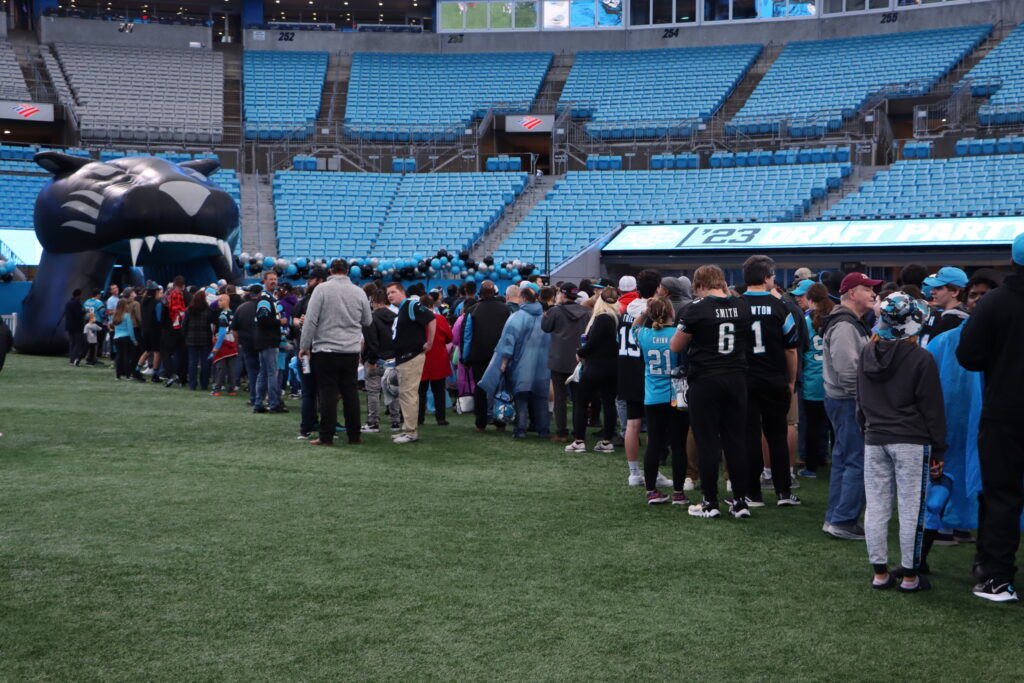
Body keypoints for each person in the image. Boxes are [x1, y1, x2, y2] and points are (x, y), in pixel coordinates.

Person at [857, 292, 945, 592]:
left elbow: (860, 403)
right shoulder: (922, 358)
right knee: (911, 507)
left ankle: (880, 573)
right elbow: (932, 409)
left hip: (875, 437)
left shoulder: (867, 354)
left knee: (877, 506)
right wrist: (939, 448)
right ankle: (909, 575)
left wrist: (867, 430)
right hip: (910, 439)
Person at [955, 234, 1024, 602]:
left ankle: (997, 577)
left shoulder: (994, 303)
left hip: (1006, 412)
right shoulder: (996, 302)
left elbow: (968, 356)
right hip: (1005, 412)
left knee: (1001, 495)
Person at [671, 265, 753, 519]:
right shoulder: (742, 306)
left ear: (699, 284)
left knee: (707, 442)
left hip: (706, 379)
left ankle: (710, 501)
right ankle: (740, 501)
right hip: (736, 377)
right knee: (736, 441)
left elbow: (676, 345)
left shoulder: (695, 309)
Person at [821, 272, 881, 540]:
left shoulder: (847, 321)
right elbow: (848, 372)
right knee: (855, 460)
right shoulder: (845, 325)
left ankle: (836, 517)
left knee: (845, 459)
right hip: (848, 400)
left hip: (842, 399)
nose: (873, 294)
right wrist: (865, 400)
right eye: (867, 289)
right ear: (852, 293)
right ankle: (843, 520)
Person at [740, 255, 801, 507]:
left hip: (745, 381)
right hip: (774, 379)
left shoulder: (736, 305)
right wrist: (791, 380)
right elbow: (791, 349)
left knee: (750, 436)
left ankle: (753, 493)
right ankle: (783, 492)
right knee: (776, 436)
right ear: (766, 278)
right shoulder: (781, 306)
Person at [299, 259, 371, 446]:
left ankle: (326, 436)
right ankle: (354, 436)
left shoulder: (321, 290)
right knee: (350, 393)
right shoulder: (359, 291)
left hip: (325, 349)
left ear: (331, 271)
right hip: (350, 350)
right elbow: (367, 321)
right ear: (347, 271)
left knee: (328, 393)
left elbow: (311, 321)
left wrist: (304, 346)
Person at [634, 296, 689, 505]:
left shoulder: (644, 334)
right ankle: (678, 493)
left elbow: (634, 326)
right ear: (671, 313)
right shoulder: (678, 335)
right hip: (677, 396)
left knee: (654, 444)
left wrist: (644, 313)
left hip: (653, 396)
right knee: (678, 445)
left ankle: (651, 491)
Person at [617, 271, 669, 487]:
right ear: (658, 288)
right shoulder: (652, 312)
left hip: (626, 368)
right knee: (654, 427)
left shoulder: (626, 311)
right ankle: (653, 473)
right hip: (646, 371)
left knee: (632, 423)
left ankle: (634, 472)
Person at [479, 287, 551, 440]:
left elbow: (507, 342)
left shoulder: (516, 317)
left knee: (521, 396)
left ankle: (521, 430)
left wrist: (504, 362)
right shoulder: (545, 317)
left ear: (523, 299)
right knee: (540, 398)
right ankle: (543, 430)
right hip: (542, 364)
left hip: (521, 364)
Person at [566, 287, 620, 453]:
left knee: (581, 401)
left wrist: (580, 352)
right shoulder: (617, 317)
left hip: (596, 365)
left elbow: (593, 342)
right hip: (613, 366)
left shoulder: (603, 318)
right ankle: (606, 441)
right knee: (609, 403)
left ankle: (579, 440)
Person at [387, 281, 436, 444]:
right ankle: (407, 429)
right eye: (388, 293)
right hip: (404, 357)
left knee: (408, 394)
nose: (389, 296)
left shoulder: (411, 305)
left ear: (402, 292)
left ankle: (411, 432)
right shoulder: (403, 308)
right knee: (406, 394)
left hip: (411, 356)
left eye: (393, 292)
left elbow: (431, 318)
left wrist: (429, 342)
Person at [541, 282, 590, 442]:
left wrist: (546, 313)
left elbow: (546, 327)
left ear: (562, 294)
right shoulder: (586, 312)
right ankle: (578, 432)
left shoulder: (556, 311)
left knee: (560, 399)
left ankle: (561, 432)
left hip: (559, 359)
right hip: (579, 359)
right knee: (578, 399)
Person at [462, 281, 510, 433]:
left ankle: (480, 423)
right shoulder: (506, 309)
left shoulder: (472, 310)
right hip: (500, 355)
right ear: (495, 293)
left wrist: (465, 357)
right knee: (499, 389)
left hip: (478, 355)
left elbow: (467, 336)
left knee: (480, 389)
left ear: (479, 294)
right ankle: (500, 422)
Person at [800, 283, 833, 478]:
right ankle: (833, 462)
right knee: (834, 427)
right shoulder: (836, 317)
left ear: (811, 300)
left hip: (813, 381)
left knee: (812, 426)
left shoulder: (806, 321)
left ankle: (811, 466)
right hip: (833, 381)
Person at [291, 266, 328, 439]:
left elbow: (296, 320)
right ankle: (321, 426)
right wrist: (301, 323)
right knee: (319, 391)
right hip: (314, 353)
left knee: (311, 392)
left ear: (320, 280)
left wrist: (302, 323)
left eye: (311, 279)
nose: (308, 282)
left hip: (309, 353)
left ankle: (309, 427)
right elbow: (295, 320)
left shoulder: (314, 298)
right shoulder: (308, 299)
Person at [362, 289, 400, 434]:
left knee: (373, 392)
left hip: (376, 360)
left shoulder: (370, 318)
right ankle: (395, 421)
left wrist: (371, 360)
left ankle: (373, 423)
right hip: (393, 360)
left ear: (373, 301)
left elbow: (372, 343)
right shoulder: (396, 316)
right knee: (393, 391)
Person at [254, 271, 288, 414]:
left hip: (266, 339)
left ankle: (258, 403)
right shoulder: (264, 299)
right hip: (268, 340)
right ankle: (273, 403)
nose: (274, 281)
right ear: (265, 282)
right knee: (271, 373)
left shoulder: (269, 298)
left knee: (264, 373)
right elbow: (263, 319)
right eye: (271, 279)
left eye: (275, 279)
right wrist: (279, 322)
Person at [418, 294, 454, 427]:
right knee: (439, 391)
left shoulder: (418, 320)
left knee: (421, 391)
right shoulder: (440, 319)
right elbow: (449, 337)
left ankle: (419, 419)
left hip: (422, 358)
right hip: (438, 357)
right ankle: (441, 418)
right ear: (433, 305)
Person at [921, 267, 969, 347]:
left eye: (939, 288)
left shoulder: (949, 322)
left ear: (955, 292)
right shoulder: (968, 317)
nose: (932, 292)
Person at [233, 285, 262, 407]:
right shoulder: (264, 307)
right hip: (262, 343)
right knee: (264, 371)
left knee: (252, 371)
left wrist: (238, 342)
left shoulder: (241, 308)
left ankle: (254, 397)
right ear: (260, 294)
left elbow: (234, 329)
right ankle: (263, 397)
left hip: (246, 344)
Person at [182, 291, 215, 391]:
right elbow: (213, 324)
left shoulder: (189, 310)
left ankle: (192, 385)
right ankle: (204, 384)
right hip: (205, 339)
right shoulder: (208, 310)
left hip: (191, 339)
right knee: (205, 363)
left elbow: (184, 325)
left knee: (192, 363)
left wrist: (185, 336)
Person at [210, 293, 238, 396]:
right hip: (232, 341)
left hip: (223, 342)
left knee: (220, 367)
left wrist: (216, 347)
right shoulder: (233, 313)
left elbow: (221, 333)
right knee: (231, 368)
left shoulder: (223, 315)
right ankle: (231, 389)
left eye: (220, 300)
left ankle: (217, 389)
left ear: (226, 301)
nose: (218, 302)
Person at [109, 298, 138, 380]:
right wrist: (134, 340)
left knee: (119, 356)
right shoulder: (127, 316)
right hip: (126, 338)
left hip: (116, 338)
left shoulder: (115, 316)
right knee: (126, 357)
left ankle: (117, 375)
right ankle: (127, 375)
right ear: (125, 306)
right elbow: (130, 330)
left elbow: (112, 326)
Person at [138, 285, 163, 375]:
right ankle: (155, 374)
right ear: (155, 292)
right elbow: (159, 318)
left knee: (147, 351)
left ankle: (137, 370)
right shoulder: (157, 303)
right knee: (157, 351)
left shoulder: (143, 302)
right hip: (155, 330)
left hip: (145, 330)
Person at [64, 289, 85, 366]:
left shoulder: (68, 303)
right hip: (77, 326)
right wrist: (84, 311)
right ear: (79, 295)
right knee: (78, 343)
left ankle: (71, 359)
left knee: (72, 343)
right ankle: (74, 359)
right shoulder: (77, 303)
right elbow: (78, 314)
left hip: (69, 326)